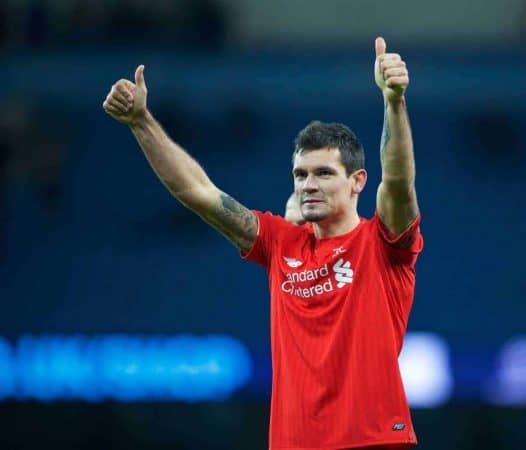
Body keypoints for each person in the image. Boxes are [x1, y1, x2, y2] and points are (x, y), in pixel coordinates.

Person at [103, 37, 423, 450]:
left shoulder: (382, 244)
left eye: (324, 173)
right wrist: (141, 121)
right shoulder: (280, 243)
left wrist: (393, 101)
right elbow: (198, 192)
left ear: (357, 182)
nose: (309, 185)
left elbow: (398, 182)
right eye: (300, 174)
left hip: (375, 441)